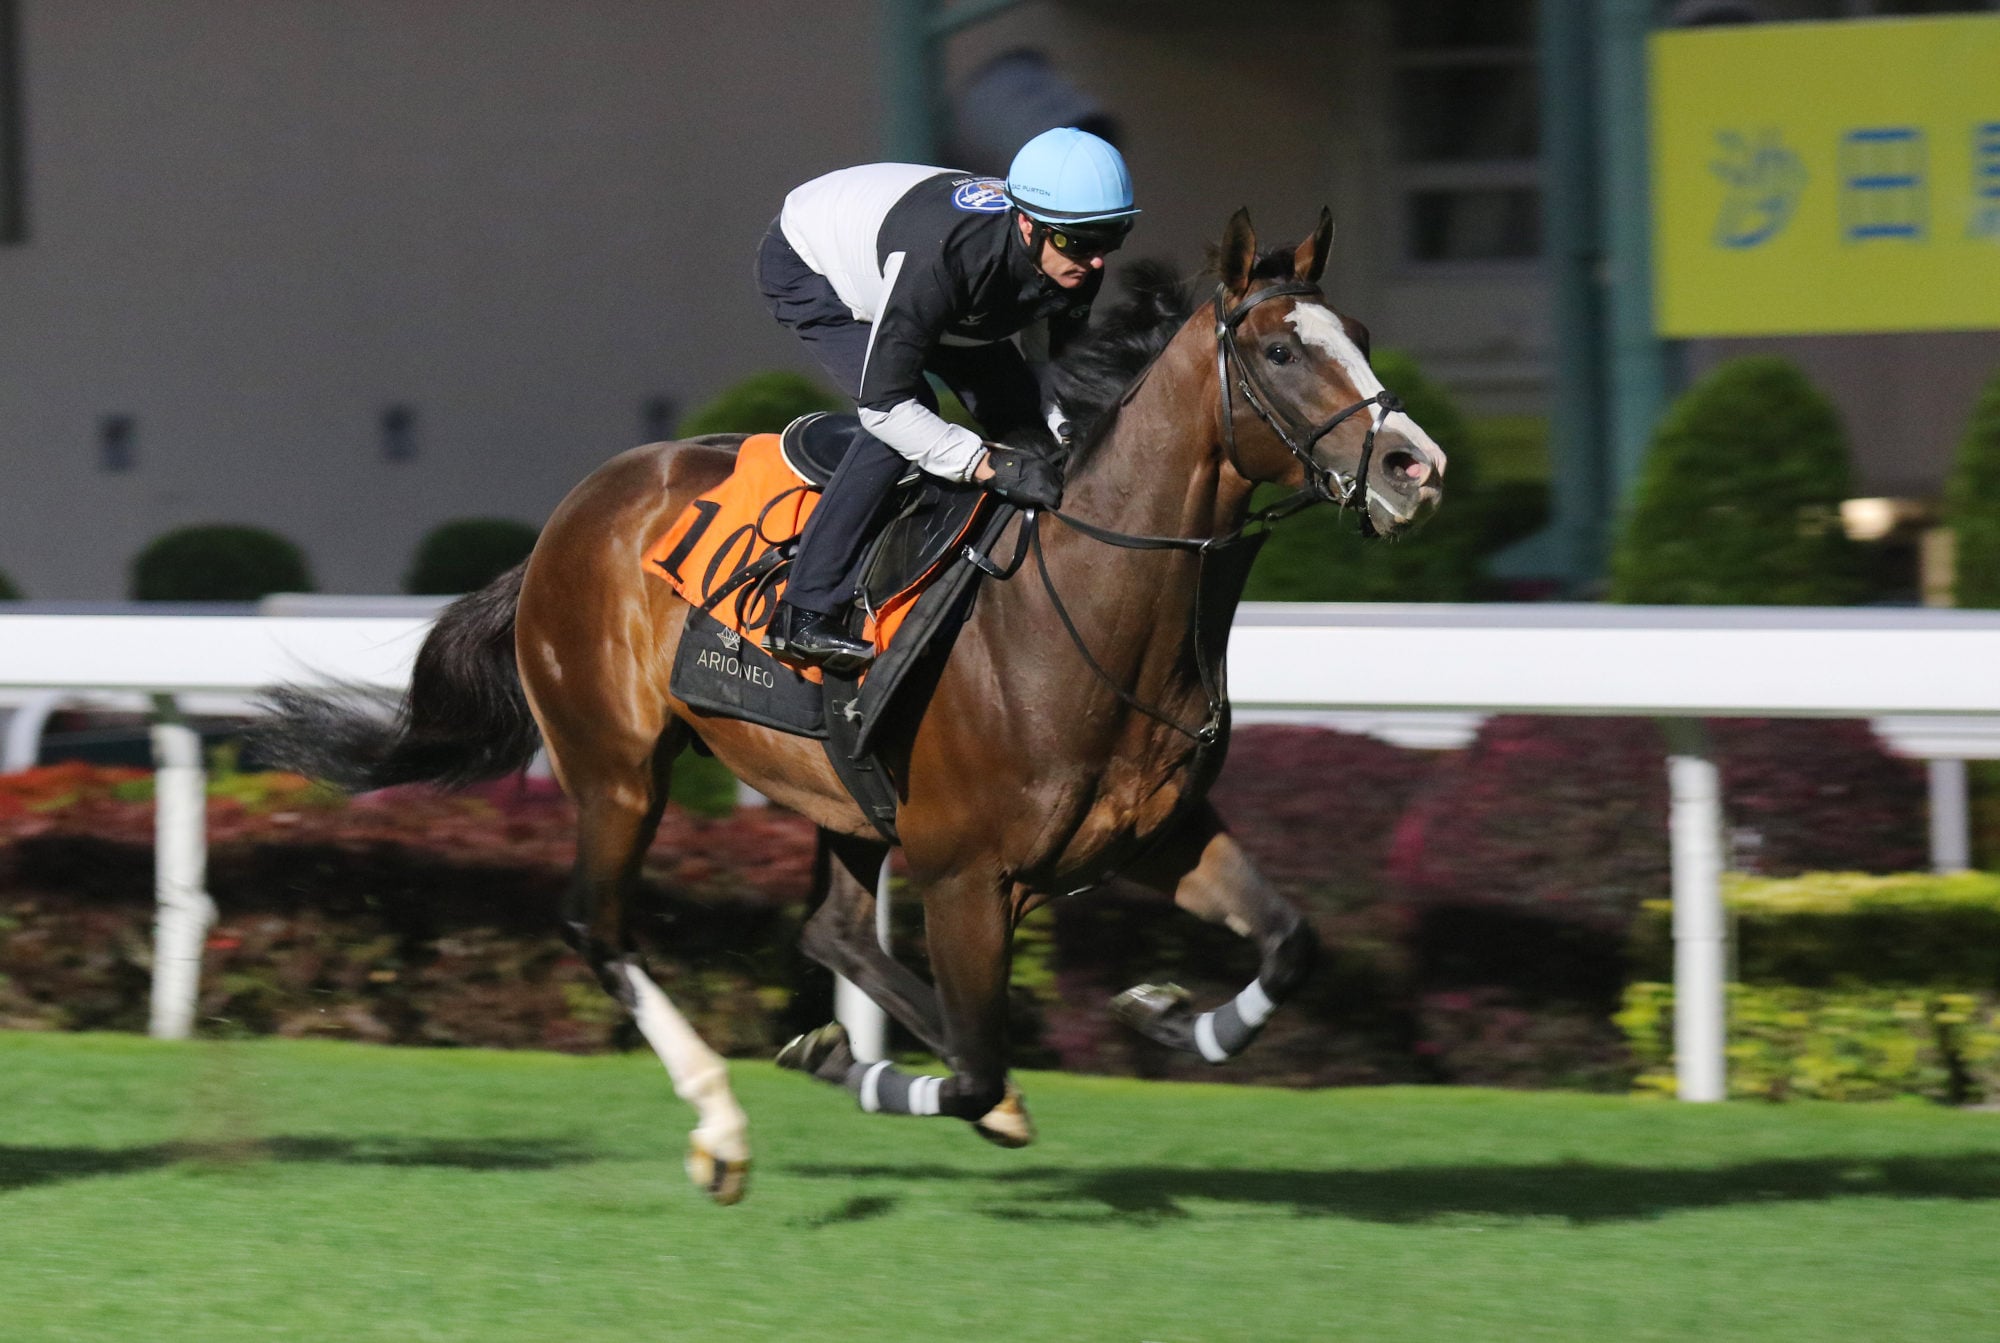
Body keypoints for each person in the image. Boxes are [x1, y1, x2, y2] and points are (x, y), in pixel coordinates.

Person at [754, 126, 1140, 673]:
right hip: (816, 267)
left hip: (939, 284)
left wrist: (1068, 429)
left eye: (1111, 238)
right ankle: (803, 612)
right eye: (1079, 243)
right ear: (1026, 222)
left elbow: (1051, 365)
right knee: (908, 419)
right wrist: (986, 464)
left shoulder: (1072, 255)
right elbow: (884, 408)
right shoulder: (947, 262)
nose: (1097, 262)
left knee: (1029, 430)